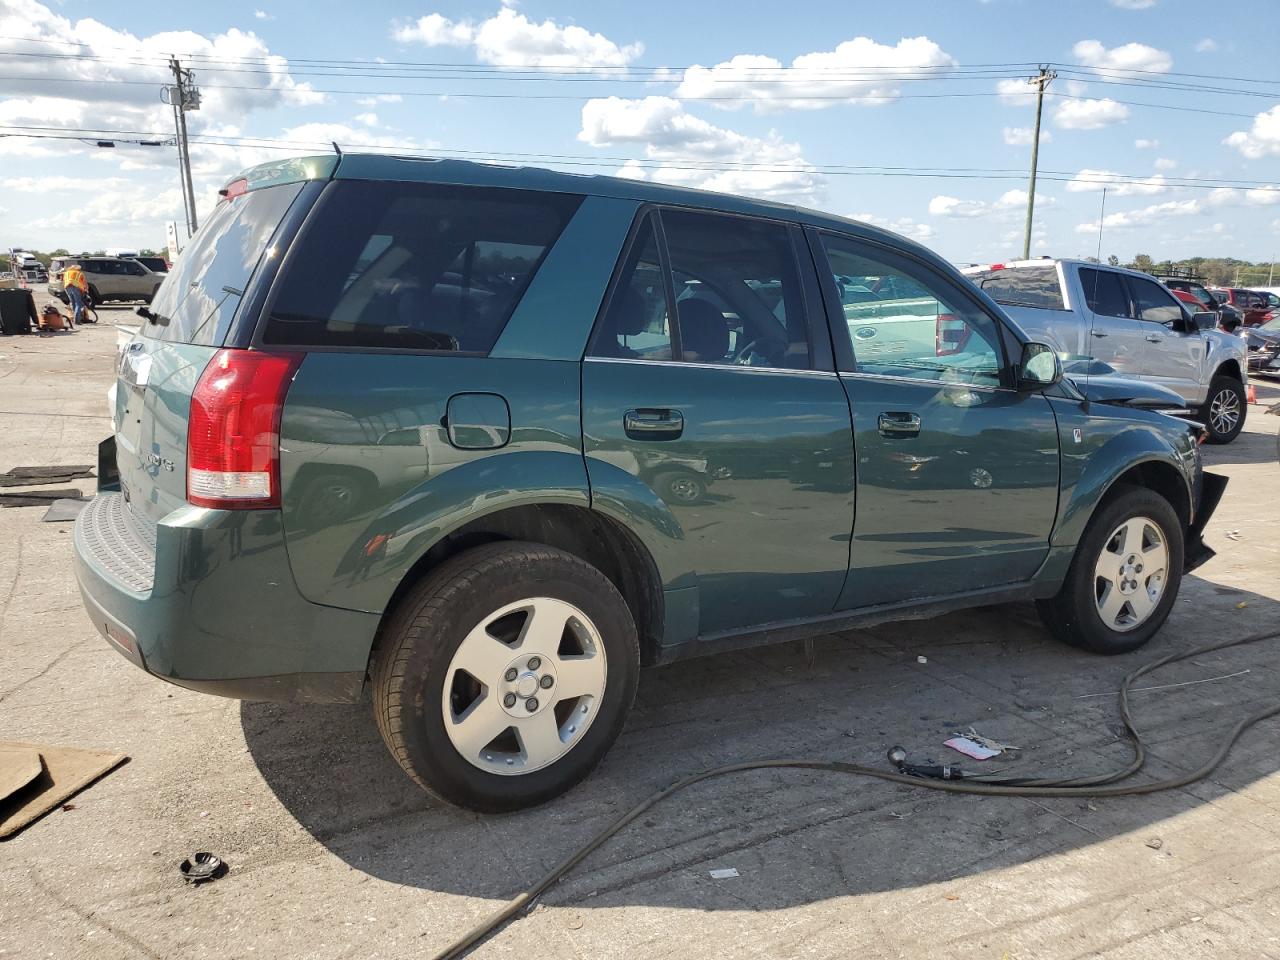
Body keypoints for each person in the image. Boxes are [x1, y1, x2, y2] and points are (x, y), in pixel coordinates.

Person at [62, 262, 88, 327]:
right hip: (76, 287)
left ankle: (74, 319)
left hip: (67, 287)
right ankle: (77, 320)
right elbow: (85, 283)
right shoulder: (79, 273)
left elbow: (64, 281)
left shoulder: (66, 273)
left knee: (73, 303)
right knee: (78, 304)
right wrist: (86, 290)